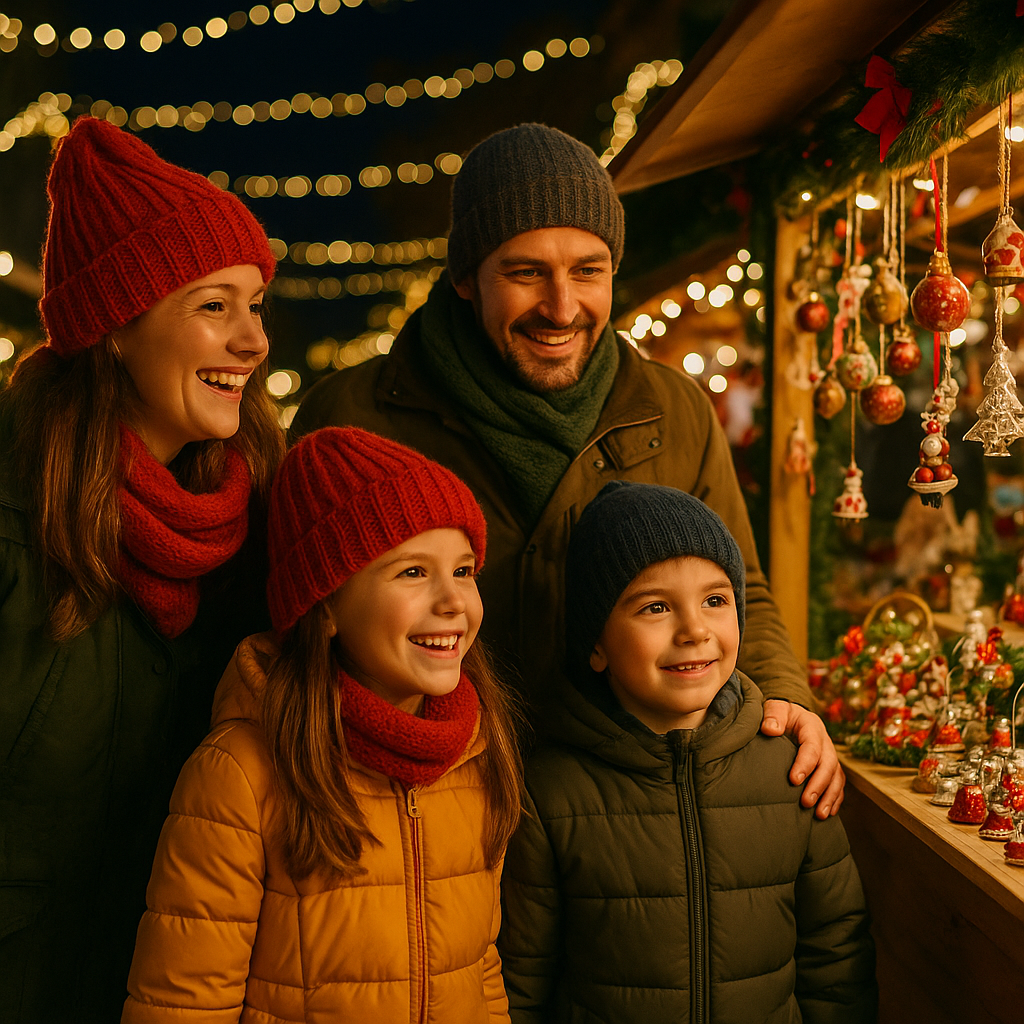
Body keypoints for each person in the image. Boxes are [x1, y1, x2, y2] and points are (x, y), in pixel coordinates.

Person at [290, 122, 845, 817]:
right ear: (466, 276)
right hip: (413, 809)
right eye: (526, 272)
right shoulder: (354, 418)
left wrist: (786, 695)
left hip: (622, 816)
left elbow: (744, 589)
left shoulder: (671, 409)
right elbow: (293, 630)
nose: (561, 307)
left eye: (588, 270)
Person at [0, 117, 284, 1023]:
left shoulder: (264, 519)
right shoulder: (14, 516)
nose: (253, 341)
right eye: (213, 306)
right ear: (117, 328)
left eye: (255, 304)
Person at [122, 427, 523, 1023]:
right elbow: (182, 1005)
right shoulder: (242, 774)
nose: (453, 601)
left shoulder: (475, 754)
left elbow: (479, 971)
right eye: (413, 572)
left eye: (464, 570)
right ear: (326, 604)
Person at [499, 481, 877, 1024]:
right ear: (597, 645)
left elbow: (837, 953)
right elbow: (523, 980)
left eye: (715, 600)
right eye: (655, 607)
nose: (695, 630)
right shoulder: (550, 792)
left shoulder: (789, 767)